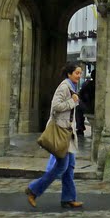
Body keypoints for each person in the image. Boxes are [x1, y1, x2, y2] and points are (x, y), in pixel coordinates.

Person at [25, 63, 83, 210]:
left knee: (69, 167)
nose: (79, 75)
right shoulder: (64, 87)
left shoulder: (72, 87)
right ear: (69, 74)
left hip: (68, 133)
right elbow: (56, 106)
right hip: (61, 133)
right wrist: (72, 102)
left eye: (80, 73)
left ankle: (68, 198)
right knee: (61, 167)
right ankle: (33, 190)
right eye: (77, 73)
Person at [76, 72, 95, 137]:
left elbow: (80, 94)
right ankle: (80, 128)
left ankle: (80, 129)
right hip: (91, 107)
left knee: (78, 107)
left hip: (90, 108)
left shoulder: (88, 84)